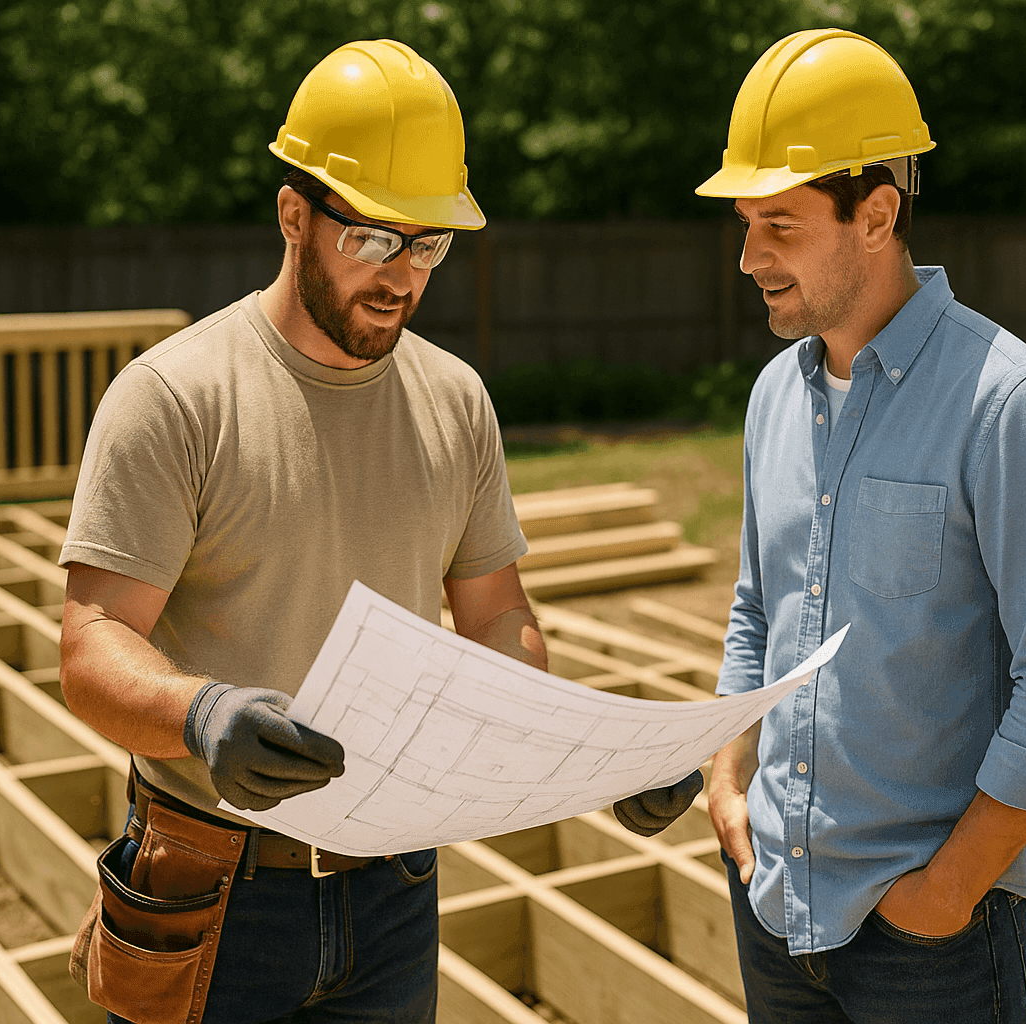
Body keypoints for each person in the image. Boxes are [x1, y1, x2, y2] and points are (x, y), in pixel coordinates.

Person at [59, 38, 699, 1024]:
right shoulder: (176, 398)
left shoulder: (454, 400)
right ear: (293, 217)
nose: (403, 274)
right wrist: (205, 714)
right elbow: (91, 646)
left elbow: (498, 620)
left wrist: (592, 756)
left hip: (394, 890)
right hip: (210, 888)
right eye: (374, 239)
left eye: (429, 244)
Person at [696, 29, 1026, 1024]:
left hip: (928, 944)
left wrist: (942, 895)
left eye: (779, 226)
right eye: (744, 224)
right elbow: (758, 602)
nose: (748, 256)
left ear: (877, 215)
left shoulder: (1011, 405)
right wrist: (727, 778)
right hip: (772, 907)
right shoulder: (773, 396)